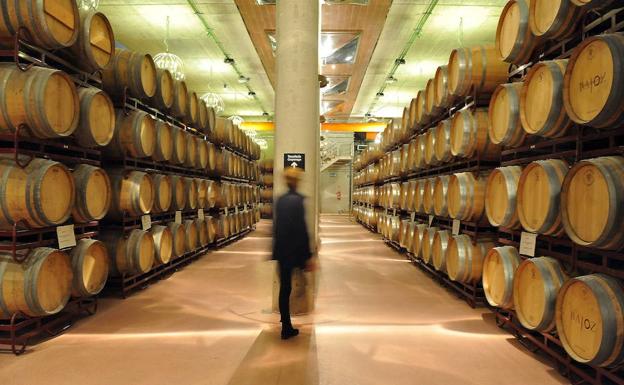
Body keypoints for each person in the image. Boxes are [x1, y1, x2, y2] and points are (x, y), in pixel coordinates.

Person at [272, 167, 313, 340]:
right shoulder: (298, 201)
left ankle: (285, 322)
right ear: (296, 181)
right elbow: (301, 230)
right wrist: (308, 256)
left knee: (284, 288)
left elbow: (276, 228)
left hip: (282, 251)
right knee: (300, 287)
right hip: (294, 251)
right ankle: (287, 327)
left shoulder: (280, 200)